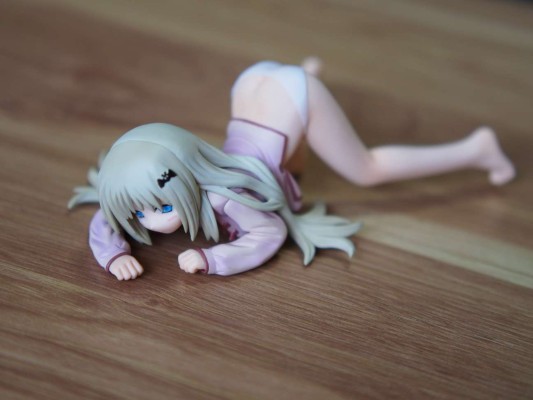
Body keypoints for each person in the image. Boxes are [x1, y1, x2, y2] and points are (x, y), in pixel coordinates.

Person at [69, 58, 515, 281]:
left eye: (162, 207)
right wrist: (114, 254)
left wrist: (212, 258)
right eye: (142, 213)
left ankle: (474, 151)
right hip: (251, 85)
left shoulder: (223, 196)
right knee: (292, 155)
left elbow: (269, 233)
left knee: (367, 169)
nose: (150, 221)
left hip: (291, 96)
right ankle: (301, 70)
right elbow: (110, 212)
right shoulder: (157, 183)